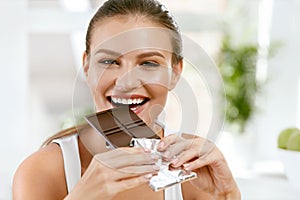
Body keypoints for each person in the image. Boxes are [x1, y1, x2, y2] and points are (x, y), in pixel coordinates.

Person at [13, 0, 241, 199]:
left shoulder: (197, 174)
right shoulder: (42, 172)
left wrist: (227, 195)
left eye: (149, 63)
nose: (126, 81)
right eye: (109, 61)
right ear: (86, 66)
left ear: (175, 73)